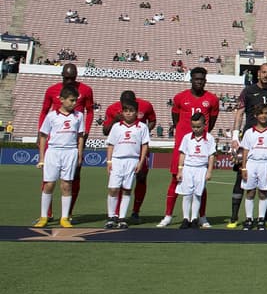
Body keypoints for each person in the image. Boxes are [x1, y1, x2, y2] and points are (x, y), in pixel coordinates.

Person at [229, 63, 267, 229]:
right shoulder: (248, 91)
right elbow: (240, 113)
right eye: (263, 72)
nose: (266, 75)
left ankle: (266, 217)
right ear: (258, 74)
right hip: (250, 137)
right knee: (241, 177)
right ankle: (235, 217)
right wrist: (235, 136)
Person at [160, 67, 219, 228]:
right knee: (175, 178)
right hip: (183, 144)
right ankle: (168, 216)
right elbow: (175, 118)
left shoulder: (212, 99)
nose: (199, 81)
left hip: (201, 146)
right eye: (196, 78)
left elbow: (211, 122)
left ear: (205, 80)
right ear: (191, 79)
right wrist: (183, 132)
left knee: (201, 183)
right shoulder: (180, 97)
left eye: (201, 79)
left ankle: (201, 217)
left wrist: (203, 135)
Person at [38, 63, 94, 219]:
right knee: (48, 179)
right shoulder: (51, 90)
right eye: (66, 77)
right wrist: (40, 132)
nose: (69, 80)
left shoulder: (86, 90)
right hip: (54, 140)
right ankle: (47, 214)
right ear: (62, 75)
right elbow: (44, 111)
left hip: (74, 138)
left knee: (73, 177)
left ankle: (68, 213)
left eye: (72, 78)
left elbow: (89, 111)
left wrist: (86, 130)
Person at [35, 85, 85, 228]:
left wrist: (79, 154)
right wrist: (42, 157)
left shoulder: (79, 116)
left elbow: (80, 136)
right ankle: (44, 216)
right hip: (54, 151)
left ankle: (65, 218)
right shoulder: (52, 116)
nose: (74, 103)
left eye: (75, 100)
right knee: (49, 184)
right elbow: (43, 136)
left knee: (66, 185)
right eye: (71, 100)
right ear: (62, 99)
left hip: (70, 152)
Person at [101, 90, 156, 223]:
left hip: (135, 155)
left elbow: (153, 121)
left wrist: (142, 132)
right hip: (118, 156)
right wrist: (115, 120)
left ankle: (134, 212)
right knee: (115, 187)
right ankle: (114, 215)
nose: (128, 111)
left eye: (130, 107)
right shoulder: (112, 110)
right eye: (125, 107)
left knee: (139, 180)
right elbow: (105, 131)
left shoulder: (146, 106)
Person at [238, 104, 267, 231]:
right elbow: (245, 151)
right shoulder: (249, 132)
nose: (264, 116)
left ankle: (261, 219)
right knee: (250, 192)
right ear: (255, 115)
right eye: (261, 113)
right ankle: (249, 219)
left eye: (266, 113)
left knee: (263, 193)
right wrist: (244, 168)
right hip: (251, 163)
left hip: (265, 164)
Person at [174, 112, 214, 228]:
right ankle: (186, 218)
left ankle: (194, 218)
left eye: (198, 126)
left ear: (204, 125)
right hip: (188, 168)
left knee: (197, 194)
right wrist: (180, 170)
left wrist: (209, 171)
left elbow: (211, 155)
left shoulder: (209, 138)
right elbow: (182, 154)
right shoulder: (187, 138)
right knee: (186, 194)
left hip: (201, 169)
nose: (196, 129)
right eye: (193, 126)